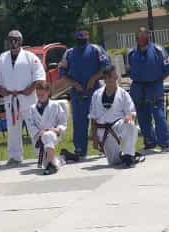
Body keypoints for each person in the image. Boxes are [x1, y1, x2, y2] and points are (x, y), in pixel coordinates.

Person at [0, 30, 46, 167]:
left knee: (34, 126)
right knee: (12, 128)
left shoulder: (30, 57)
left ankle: (41, 152)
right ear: (7, 41)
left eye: (16, 39)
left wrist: (31, 88)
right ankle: (15, 156)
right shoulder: (2, 58)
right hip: (10, 99)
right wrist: (1, 90)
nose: (13, 42)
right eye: (11, 39)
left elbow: (39, 76)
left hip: (28, 98)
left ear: (21, 41)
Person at [58, 27, 110, 160]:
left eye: (84, 35)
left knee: (101, 120)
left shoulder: (96, 49)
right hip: (77, 93)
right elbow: (62, 73)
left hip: (96, 91)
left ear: (88, 36)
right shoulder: (68, 53)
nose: (81, 38)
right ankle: (80, 150)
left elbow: (106, 68)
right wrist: (74, 83)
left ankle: (106, 147)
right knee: (79, 122)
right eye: (79, 36)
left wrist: (94, 78)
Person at [127, 27, 169, 152]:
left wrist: (157, 80)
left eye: (144, 35)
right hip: (138, 87)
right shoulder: (131, 53)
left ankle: (164, 143)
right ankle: (149, 141)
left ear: (148, 36)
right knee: (142, 116)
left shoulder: (158, 50)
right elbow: (129, 71)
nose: (142, 38)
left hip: (154, 86)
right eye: (139, 35)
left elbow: (168, 68)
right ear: (136, 37)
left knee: (158, 115)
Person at [89, 65, 143, 167]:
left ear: (116, 77)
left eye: (111, 76)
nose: (109, 79)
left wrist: (129, 117)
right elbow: (93, 116)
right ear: (104, 79)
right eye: (106, 77)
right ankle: (131, 156)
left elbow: (132, 112)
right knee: (114, 162)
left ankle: (128, 155)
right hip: (103, 131)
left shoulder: (123, 94)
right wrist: (94, 136)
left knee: (131, 125)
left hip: (117, 126)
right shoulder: (96, 94)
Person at [27, 81, 67, 175]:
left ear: (48, 92)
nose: (40, 96)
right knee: (49, 162)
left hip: (54, 134)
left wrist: (58, 129)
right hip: (40, 137)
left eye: (42, 94)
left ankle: (51, 166)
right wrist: (39, 133)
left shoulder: (55, 105)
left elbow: (62, 121)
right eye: (38, 94)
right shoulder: (32, 108)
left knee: (48, 135)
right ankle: (63, 157)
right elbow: (30, 124)